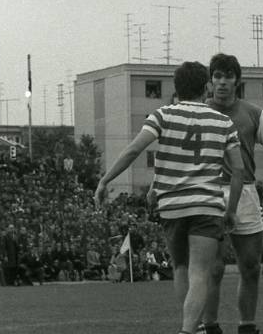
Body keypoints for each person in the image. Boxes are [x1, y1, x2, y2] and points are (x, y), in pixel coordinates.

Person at [95, 61, 244, 334]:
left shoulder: (162, 115)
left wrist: (105, 180)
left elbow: (133, 150)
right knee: (200, 272)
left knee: (180, 268)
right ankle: (189, 330)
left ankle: (193, 328)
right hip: (206, 205)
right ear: (206, 86)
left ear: (176, 87)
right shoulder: (223, 122)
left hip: (173, 205)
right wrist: (232, 209)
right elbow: (239, 170)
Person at [199, 53, 263, 334]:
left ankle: (247, 327)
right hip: (209, 192)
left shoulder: (253, 112)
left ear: (237, 80)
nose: (222, 82)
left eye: (228, 76)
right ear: (211, 81)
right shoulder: (198, 112)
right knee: (213, 269)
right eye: (217, 76)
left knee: (250, 266)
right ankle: (210, 326)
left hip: (246, 192)